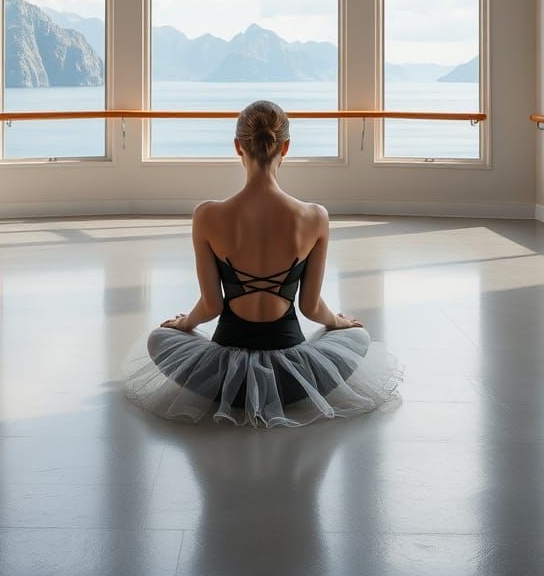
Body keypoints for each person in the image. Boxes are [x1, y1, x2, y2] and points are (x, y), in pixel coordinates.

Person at [121, 100, 402, 427]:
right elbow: (311, 307)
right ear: (286, 147)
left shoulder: (208, 215)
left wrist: (186, 324)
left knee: (158, 338)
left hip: (224, 380)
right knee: (360, 338)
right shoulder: (314, 216)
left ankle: (232, 393)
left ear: (238, 146)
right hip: (293, 382)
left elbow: (211, 306)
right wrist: (337, 323)